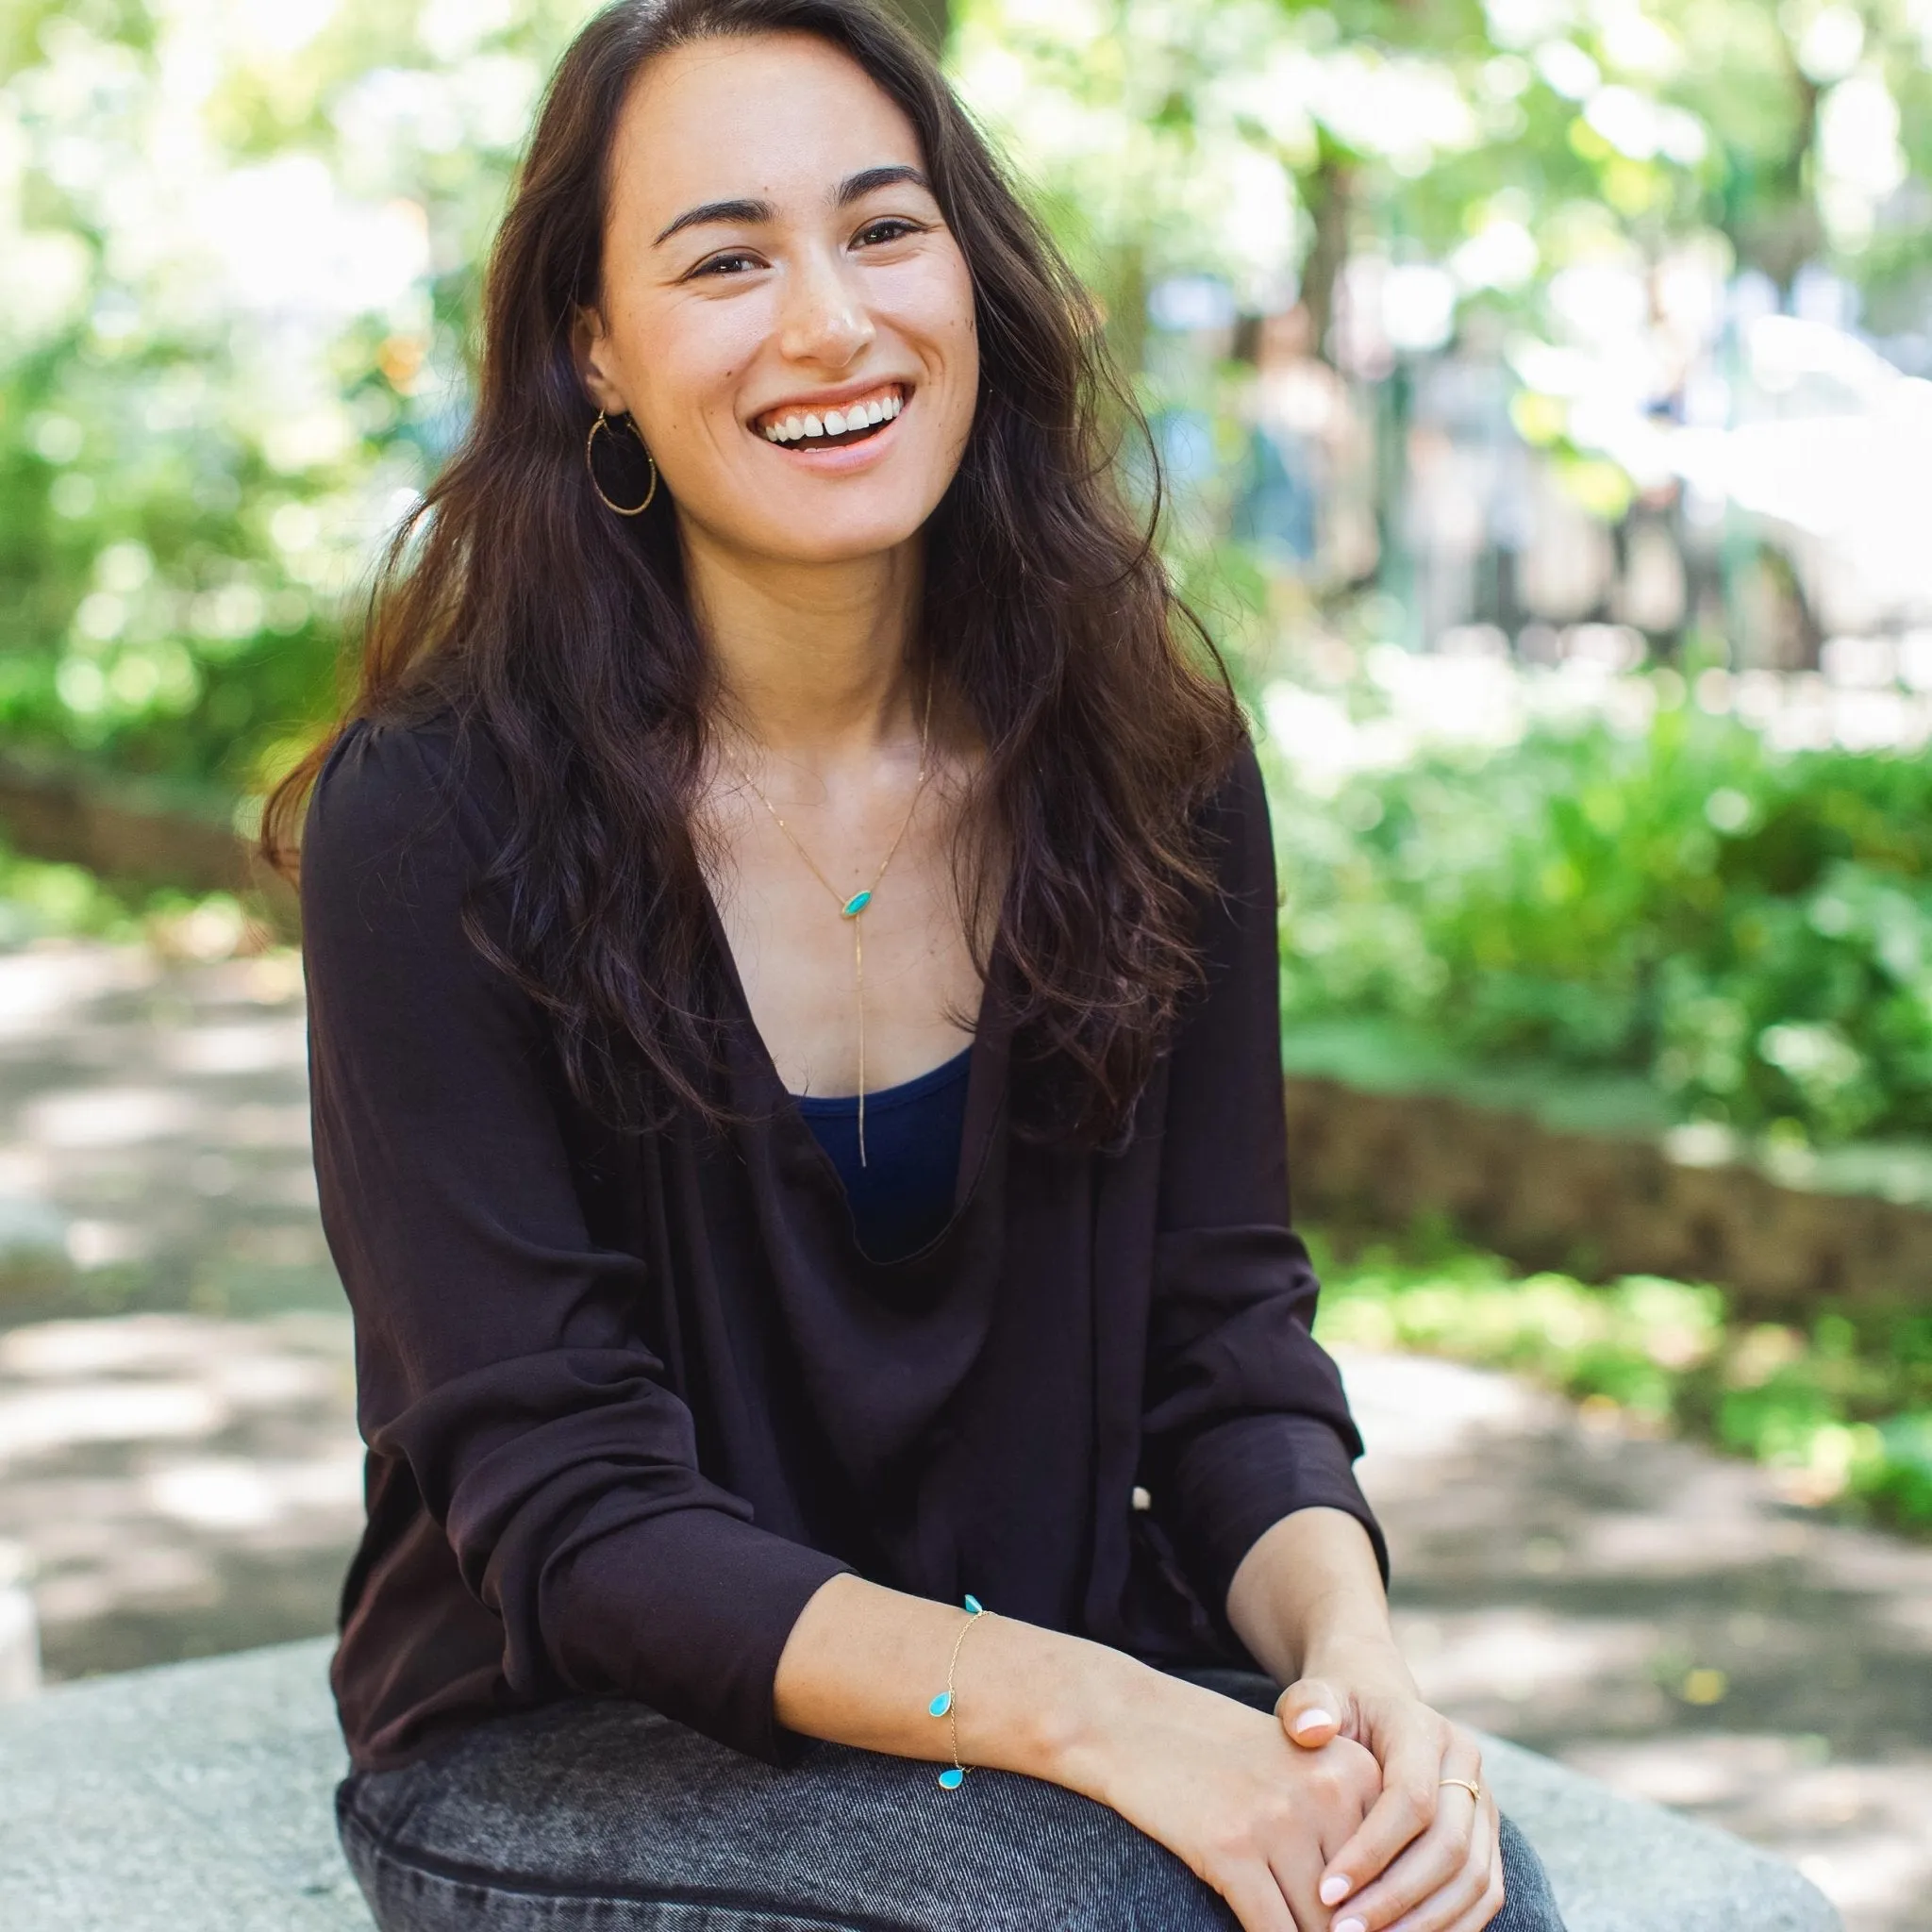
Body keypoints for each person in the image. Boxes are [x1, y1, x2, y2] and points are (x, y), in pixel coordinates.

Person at [266, 4, 1570, 1928]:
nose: (828, 323)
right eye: (724, 259)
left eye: (885, 230)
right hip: (582, 1733)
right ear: (593, 350)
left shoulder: (1145, 756)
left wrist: (1347, 1668)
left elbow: (1225, 1350)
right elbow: (577, 1517)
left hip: (1054, 1655)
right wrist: (1111, 1722)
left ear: (972, 272)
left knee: (1445, 1894)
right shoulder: (437, 822)